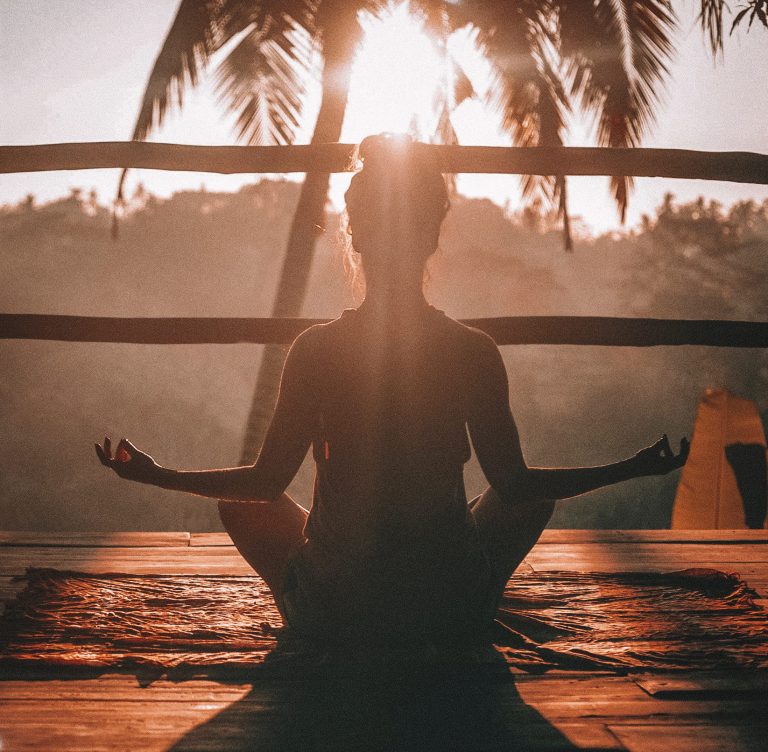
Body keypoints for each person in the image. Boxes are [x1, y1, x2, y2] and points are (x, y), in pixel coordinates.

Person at [95, 134, 689, 648]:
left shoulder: (317, 350)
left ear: (355, 237)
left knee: (241, 505)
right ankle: (471, 598)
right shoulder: (471, 350)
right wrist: (632, 467)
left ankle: (322, 597)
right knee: (530, 498)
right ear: (431, 237)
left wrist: (156, 474)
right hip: (446, 609)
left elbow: (264, 483)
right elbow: (516, 485)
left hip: (338, 613)